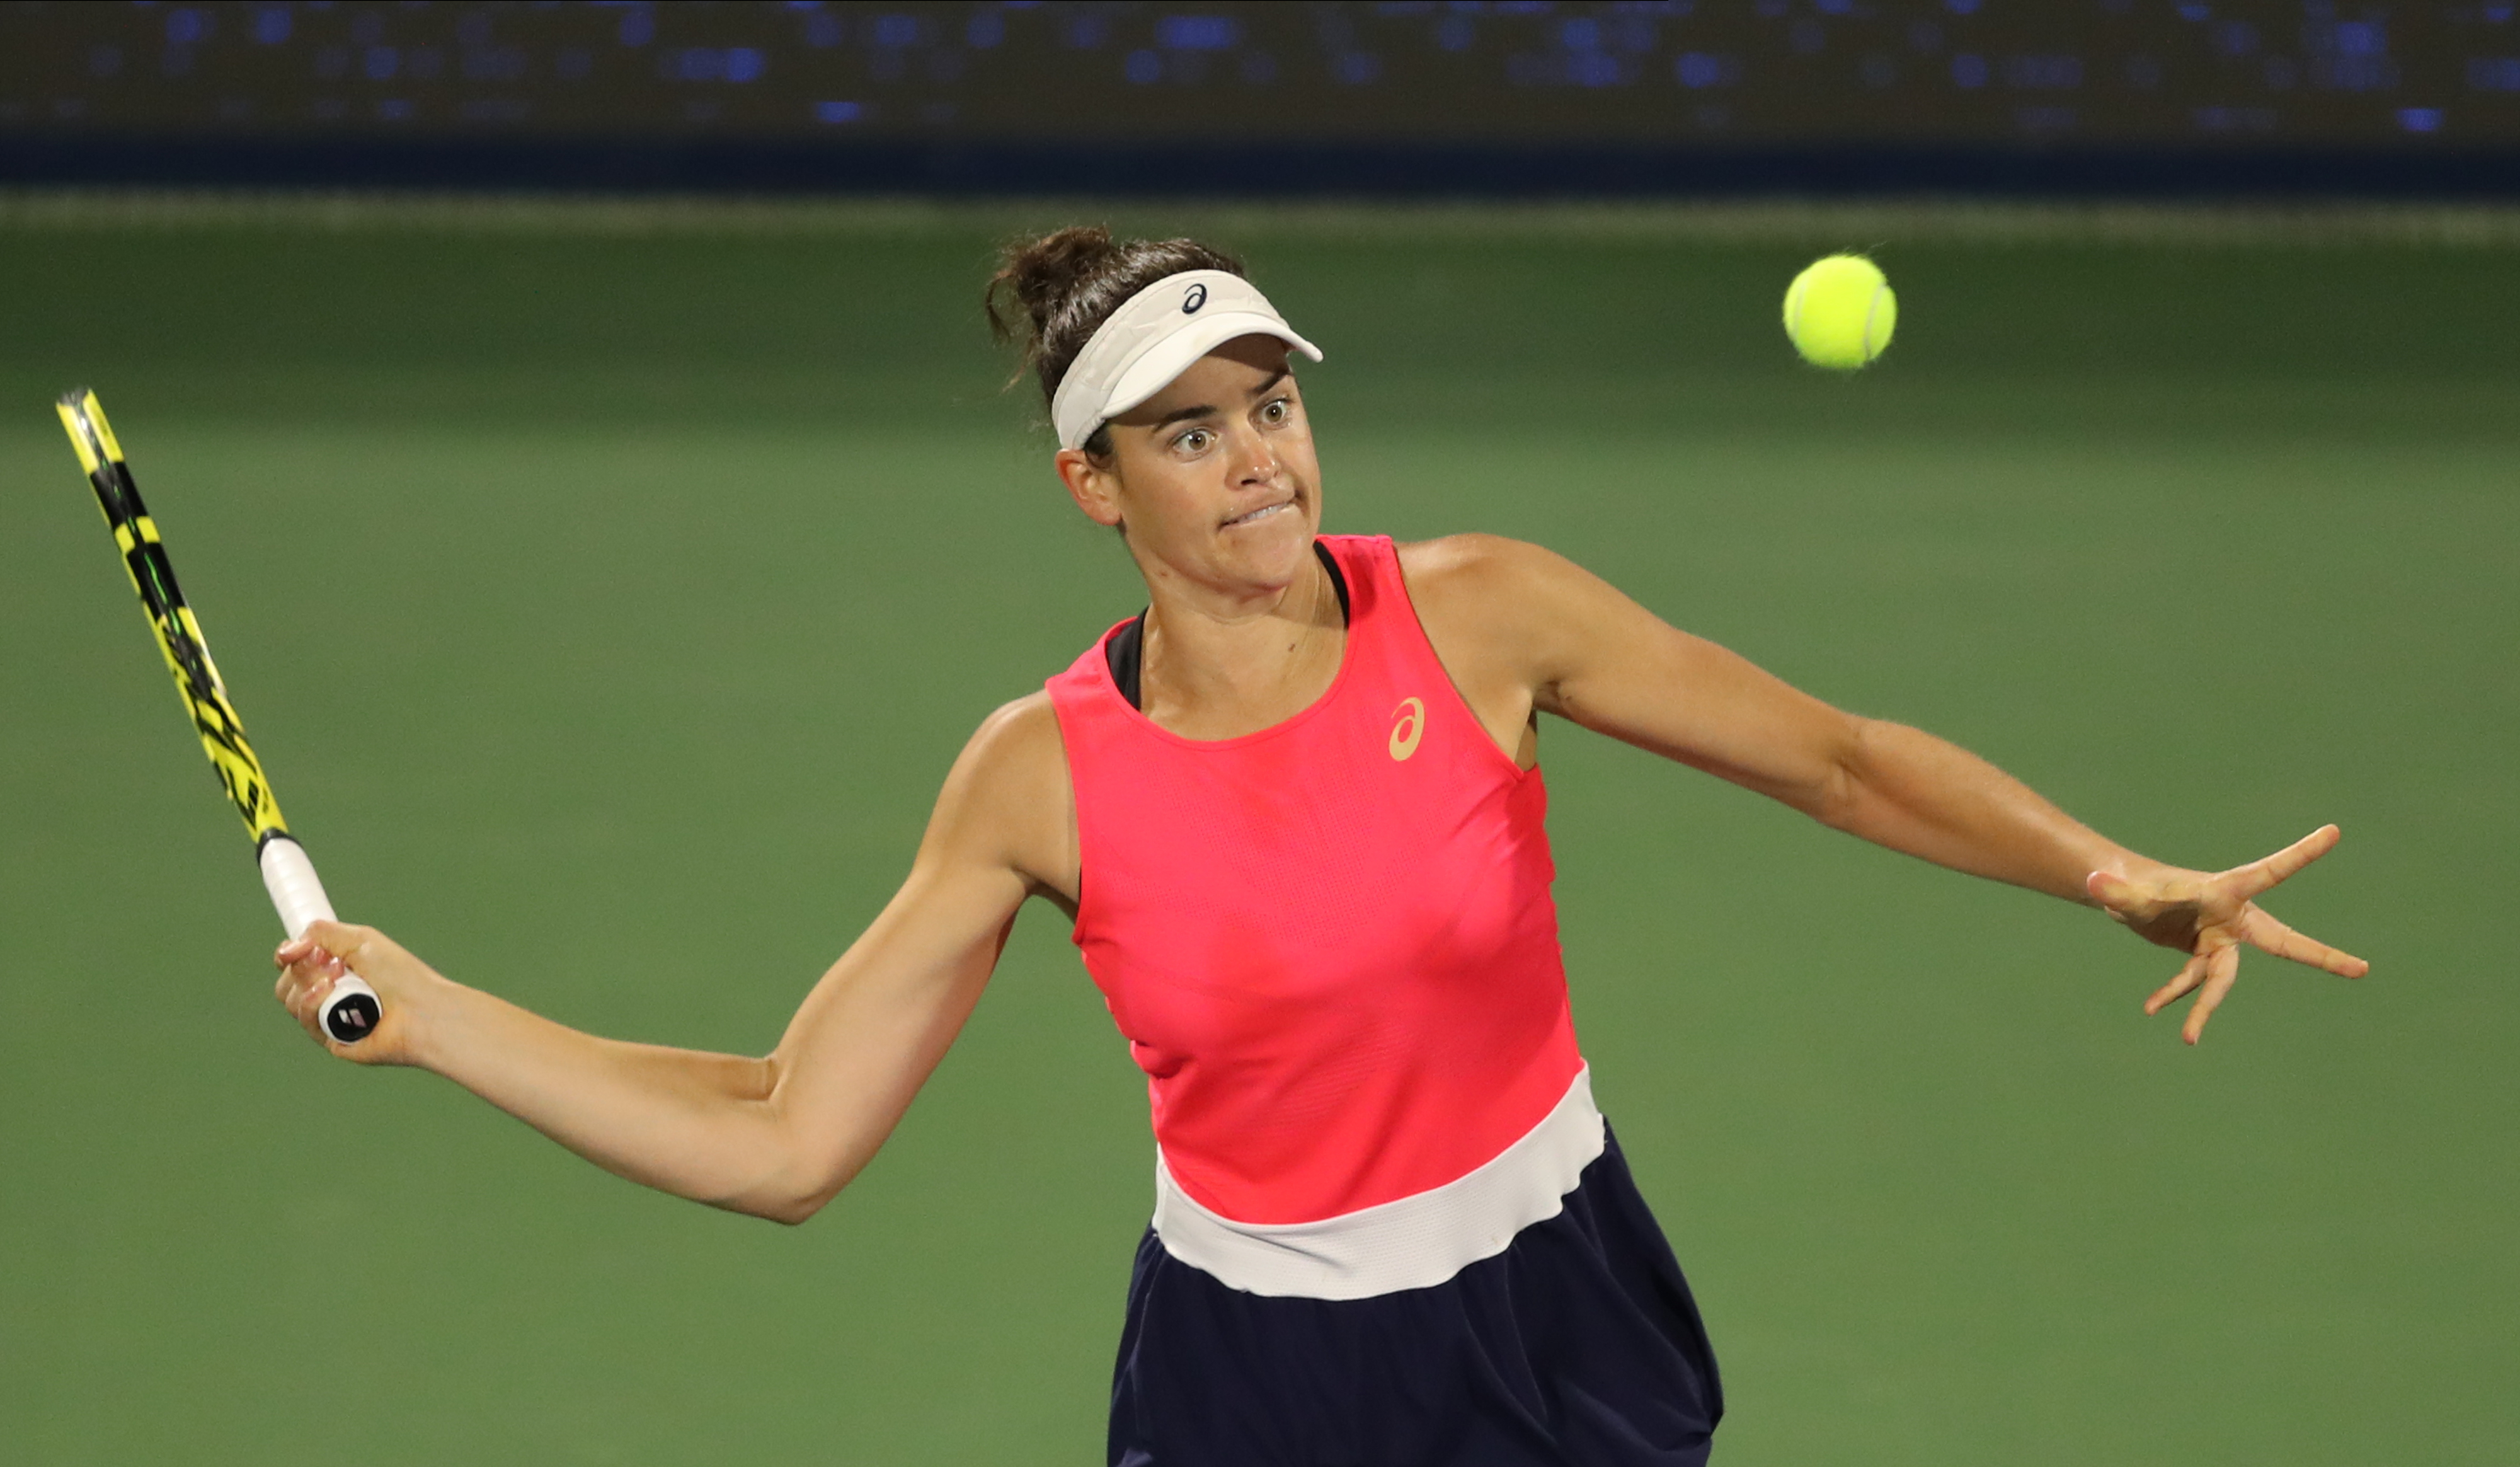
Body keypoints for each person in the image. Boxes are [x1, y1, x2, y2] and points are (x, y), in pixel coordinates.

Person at [274, 227, 2366, 1466]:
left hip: (1560, 1295)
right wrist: (440, 1017)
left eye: (1271, 404)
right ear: (1098, 486)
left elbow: (1835, 761)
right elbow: (782, 1132)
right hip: (1261, 1367)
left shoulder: (1483, 614)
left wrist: (2111, 868)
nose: (1259, 459)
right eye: (1193, 432)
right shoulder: (1039, 776)